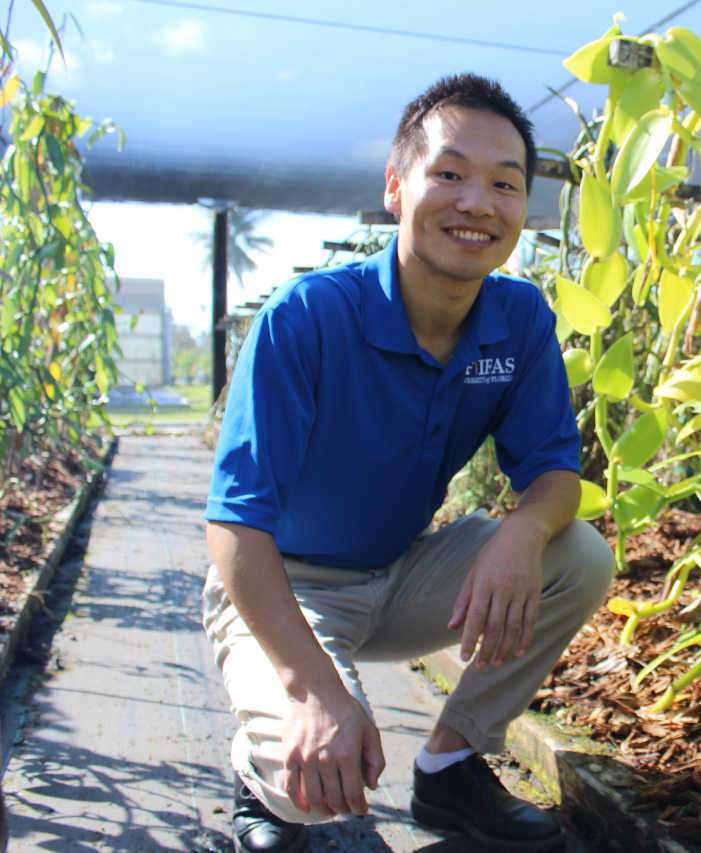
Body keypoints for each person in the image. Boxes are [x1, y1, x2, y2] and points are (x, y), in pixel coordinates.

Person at [202, 73, 614, 853]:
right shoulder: (309, 318)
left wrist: (522, 534)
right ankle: (259, 784)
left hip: (398, 574)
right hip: (281, 587)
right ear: (397, 187)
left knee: (579, 553)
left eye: (504, 183)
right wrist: (315, 687)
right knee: (323, 781)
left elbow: (557, 473)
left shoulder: (517, 318)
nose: (477, 202)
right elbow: (234, 525)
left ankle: (453, 764)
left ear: (523, 207)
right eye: (449, 174)